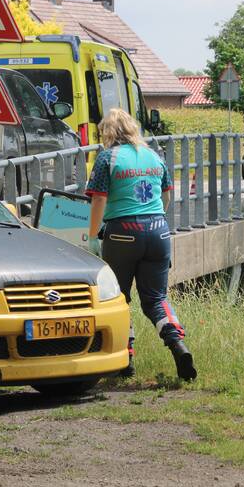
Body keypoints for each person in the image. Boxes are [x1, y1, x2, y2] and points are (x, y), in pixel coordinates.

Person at [85, 108, 196, 381]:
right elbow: (167, 194)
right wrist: (155, 217)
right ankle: (177, 344)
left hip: (122, 233)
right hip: (158, 230)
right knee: (156, 299)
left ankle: (126, 359)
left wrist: (92, 235)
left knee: (118, 297)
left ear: (108, 133)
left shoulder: (107, 158)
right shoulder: (153, 156)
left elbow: (99, 199)